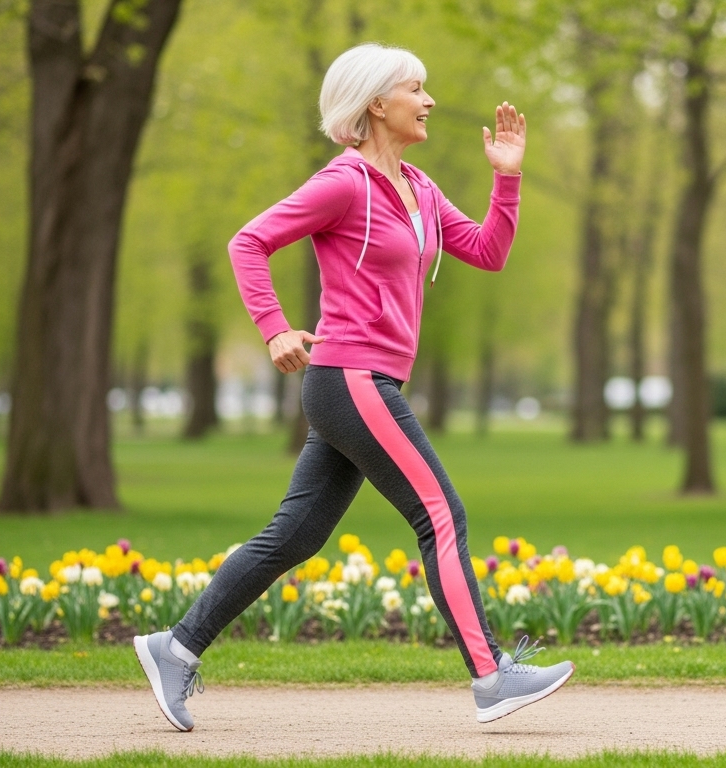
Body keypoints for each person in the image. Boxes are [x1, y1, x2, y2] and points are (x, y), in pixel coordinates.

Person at [133, 43, 573, 732]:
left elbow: (487, 252)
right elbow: (248, 242)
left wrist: (507, 180)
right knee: (441, 514)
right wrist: (275, 327)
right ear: (376, 103)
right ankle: (492, 676)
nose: (429, 101)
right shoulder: (343, 184)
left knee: (293, 537)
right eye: (416, 89)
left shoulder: (419, 188)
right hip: (350, 377)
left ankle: (175, 646)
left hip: (363, 383)